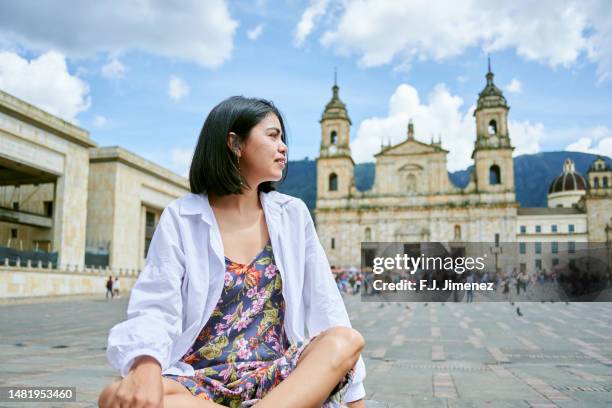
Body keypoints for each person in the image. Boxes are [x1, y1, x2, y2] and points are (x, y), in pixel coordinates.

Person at [98, 96, 366, 408]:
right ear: (235, 143)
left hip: (279, 377)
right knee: (113, 396)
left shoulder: (292, 214)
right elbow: (156, 306)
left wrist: (354, 401)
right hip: (199, 382)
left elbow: (327, 306)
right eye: (272, 135)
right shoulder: (182, 217)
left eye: (283, 138)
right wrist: (145, 367)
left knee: (345, 340)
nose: (284, 147)